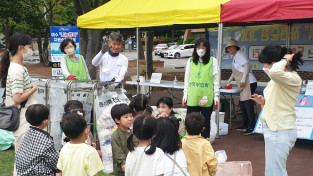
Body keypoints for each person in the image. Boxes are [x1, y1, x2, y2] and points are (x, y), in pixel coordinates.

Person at [251, 46, 303, 176]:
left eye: (266, 63)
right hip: (275, 129)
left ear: (275, 63)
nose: (265, 67)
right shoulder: (280, 78)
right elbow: (278, 100)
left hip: (281, 130)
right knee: (272, 171)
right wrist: (263, 102)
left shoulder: (292, 78)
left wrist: (285, 59)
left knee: (275, 172)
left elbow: (274, 71)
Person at [0, 32, 38, 175]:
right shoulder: (16, 69)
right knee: (23, 157)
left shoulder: (18, 67)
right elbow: (17, 98)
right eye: (29, 47)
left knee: (25, 156)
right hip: (23, 118)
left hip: (25, 117)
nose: (31, 50)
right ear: (20, 47)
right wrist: (34, 88)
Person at [183, 38, 219, 140]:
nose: (201, 49)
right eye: (198, 47)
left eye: (203, 47)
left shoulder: (213, 61)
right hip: (193, 96)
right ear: (195, 48)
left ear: (207, 48)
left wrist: (216, 96)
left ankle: (205, 141)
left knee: (205, 121)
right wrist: (185, 95)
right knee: (190, 121)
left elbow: (216, 80)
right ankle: (190, 141)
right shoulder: (190, 61)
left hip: (206, 96)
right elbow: (187, 79)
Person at [225, 39, 257, 135]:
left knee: (248, 104)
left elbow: (246, 66)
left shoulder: (239, 54)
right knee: (243, 104)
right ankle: (245, 125)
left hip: (249, 82)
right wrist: (228, 82)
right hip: (245, 83)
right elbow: (234, 72)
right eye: (228, 48)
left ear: (235, 47)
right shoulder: (235, 56)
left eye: (231, 47)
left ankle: (251, 127)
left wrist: (243, 80)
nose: (229, 49)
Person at [15, 104, 59, 175]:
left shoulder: (27, 134)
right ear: (45, 121)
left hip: (22, 172)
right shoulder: (46, 141)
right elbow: (55, 162)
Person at [110, 104, 134, 176]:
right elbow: (119, 155)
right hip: (121, 170)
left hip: (134, 167)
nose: (130, 119)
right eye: (126, 117)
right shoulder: (115, 136)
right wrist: (125, 166)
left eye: (131, 116)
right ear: (117, 120)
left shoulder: (133, 133)